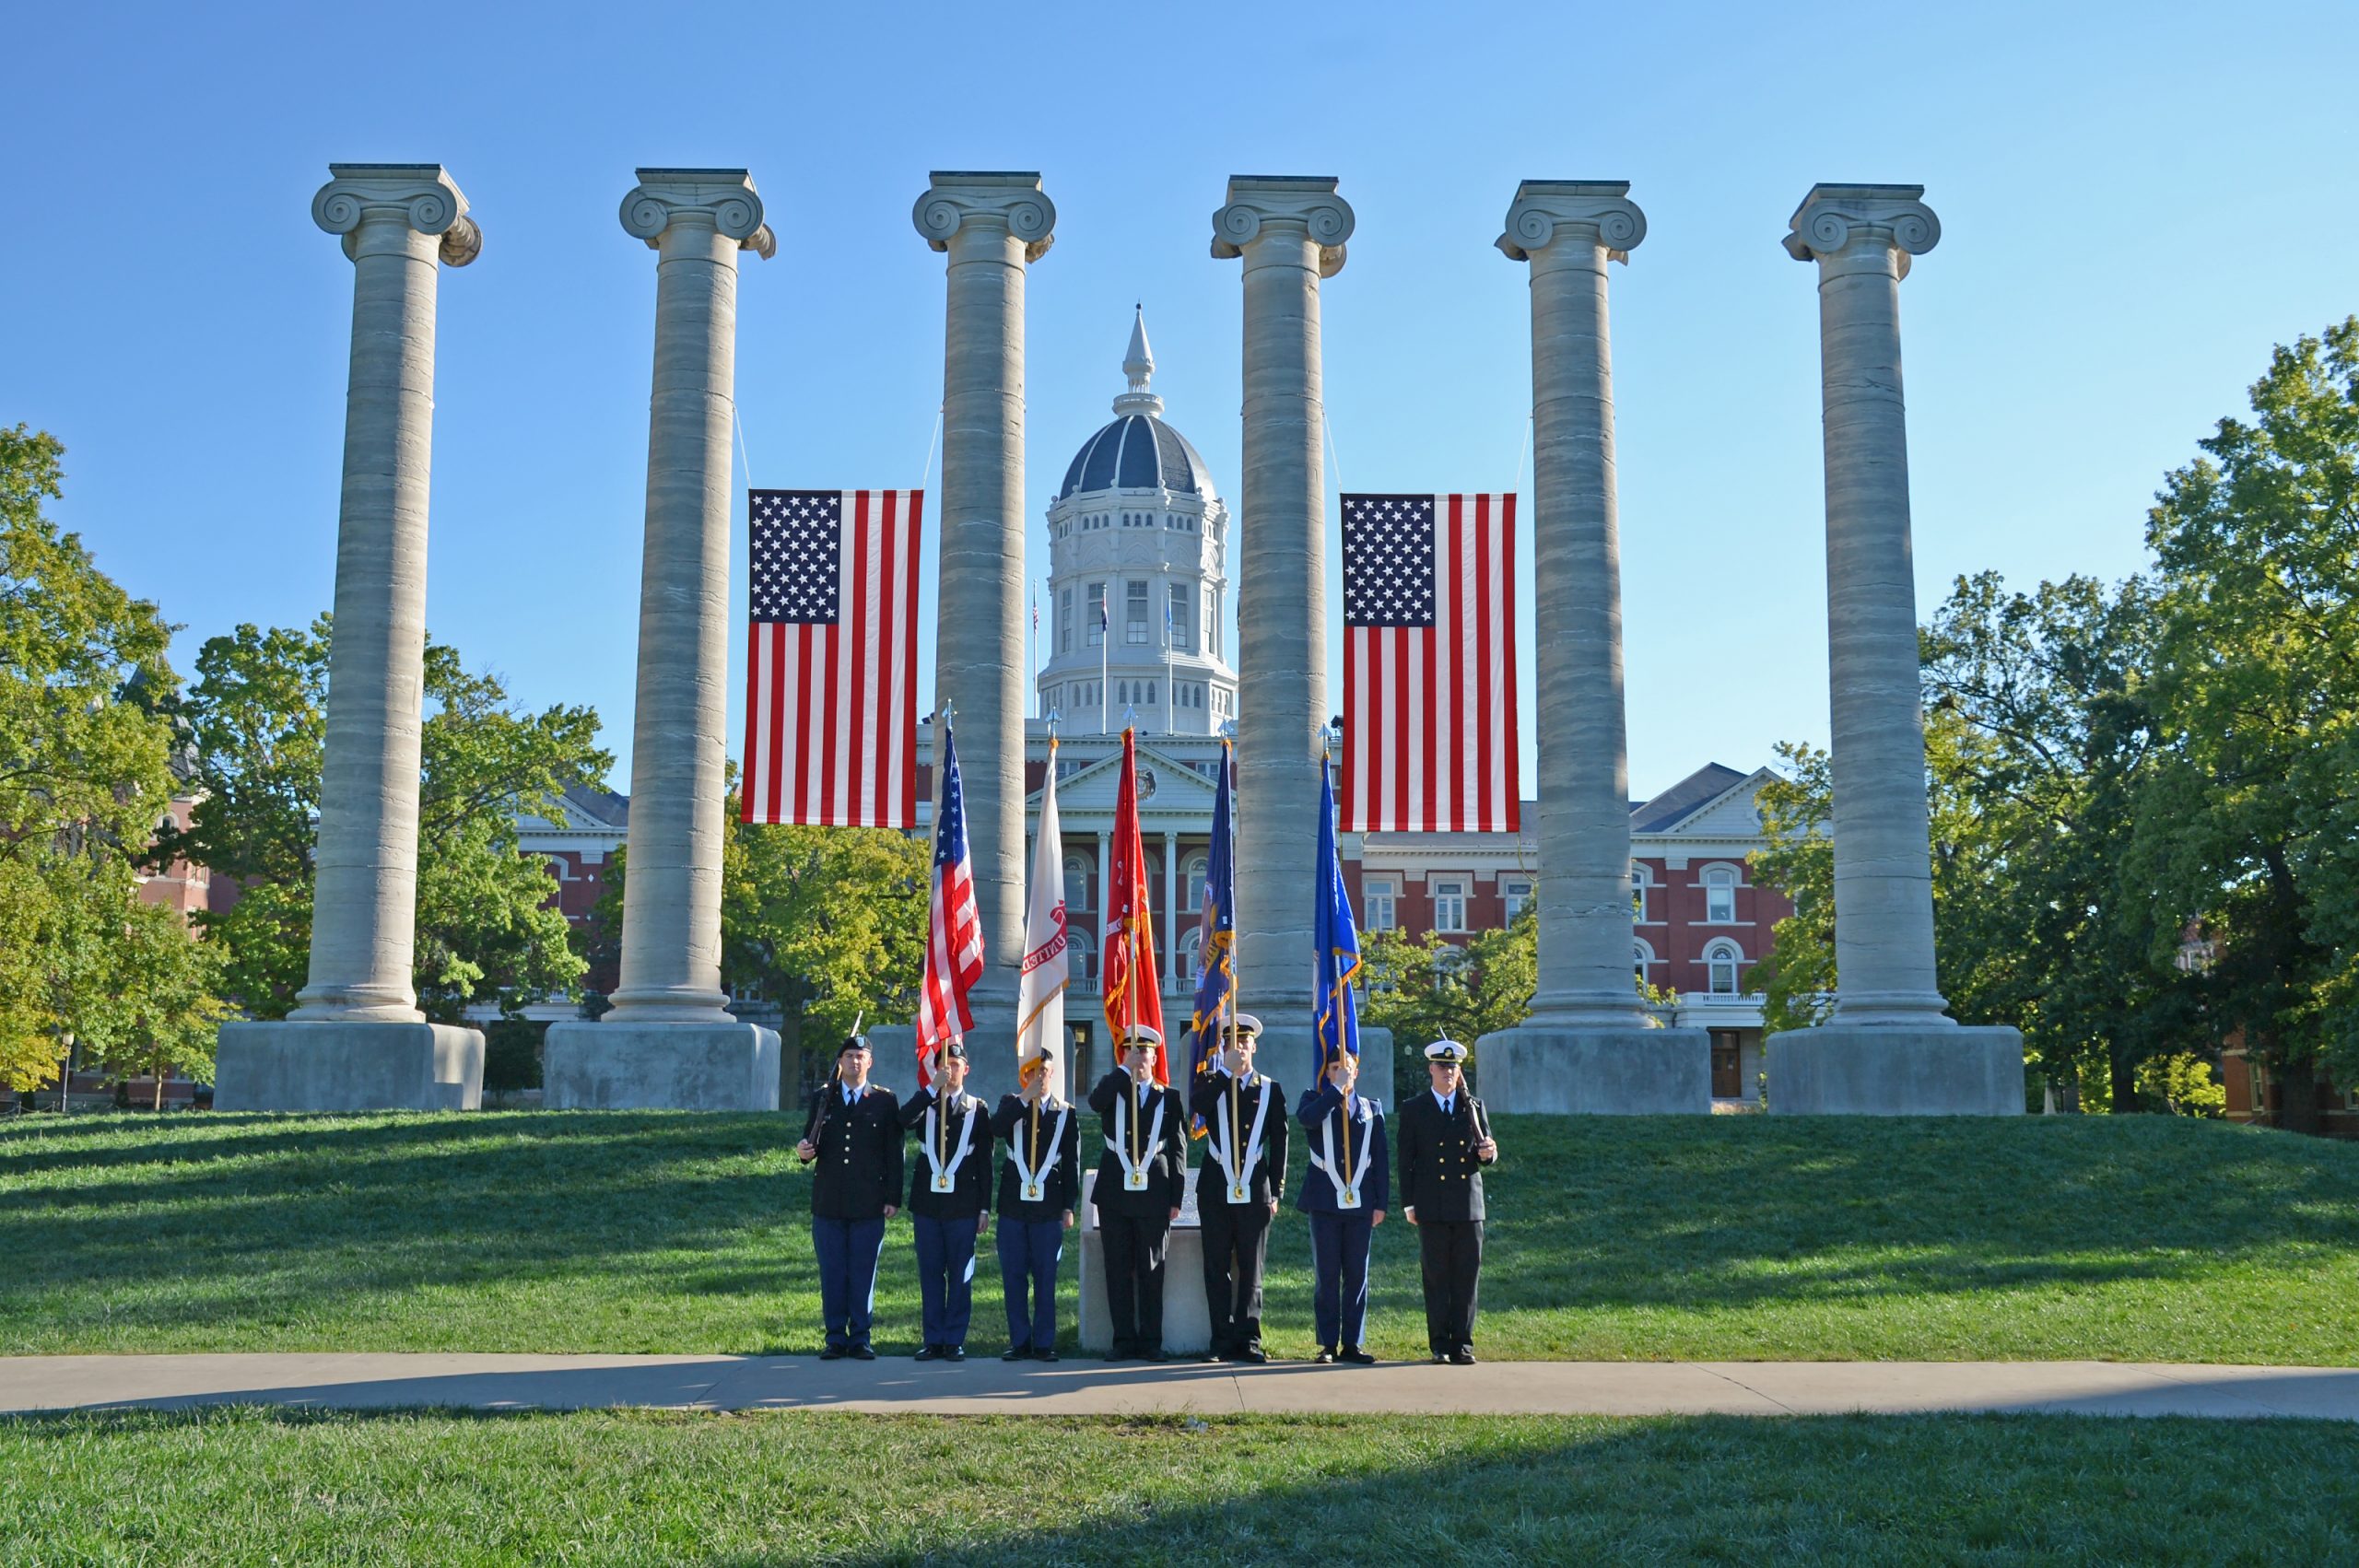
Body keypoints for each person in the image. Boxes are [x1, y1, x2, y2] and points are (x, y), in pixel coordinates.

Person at [795, 1035, 904, 1361]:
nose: (855, 1062)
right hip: (829, 1202)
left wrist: (893, 1198)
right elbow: (809, 1141)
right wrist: (803, 1151)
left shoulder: (884, 1101)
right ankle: (834, 1337)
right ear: (839, 1063)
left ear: (870, 1063)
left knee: (862, 1272)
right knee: (832, 1272)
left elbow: (894, 1154)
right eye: (849, 1056)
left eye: (861, 1056)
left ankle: (860, 1337)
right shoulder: (823, 1097)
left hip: (868, 1203)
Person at [1189, 1012, 1287, 1363]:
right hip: (1216, 1187)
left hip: (1255, 1187)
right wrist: (1226, 1072)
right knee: (1216, 1265)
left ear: (1255, 1047)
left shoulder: (1271, 1089)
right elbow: (1198, 1108)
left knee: (1251, 1266)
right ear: (1225, 1048)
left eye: (1246, 1042)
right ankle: (1220, 1338)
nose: (1241, 1047)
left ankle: (1249, 1338)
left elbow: (1280, 1143)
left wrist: (1275, 1191)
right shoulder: (1212, 1080)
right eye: (1234, 1042)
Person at [1086, 1024, 1187, 1361]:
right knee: (1117, 1269)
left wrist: (1176, 1197)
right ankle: (1123, 1341)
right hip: (1115, 1190)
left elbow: (1177, 1150)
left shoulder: (1168, 1097)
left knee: (1152, 1270)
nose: (1139, 1057)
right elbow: (1094, 1102)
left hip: (1154, 1193)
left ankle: (1151, 1342)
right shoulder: (1113, 1088)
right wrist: (1121, 1071)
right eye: (1133, 1051)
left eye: (1144, 1052)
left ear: (1155, 1056)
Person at [1395, 1038, 1498, 1365]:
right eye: (1442, 1066)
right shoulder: (1414, 1108)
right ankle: (1439, 1343)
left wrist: (1489, 1153)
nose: (1448, 1072)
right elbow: (1405, 1160)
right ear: (1431, 1069)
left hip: (1468, 1203)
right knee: (1437, 1276)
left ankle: (1462, 1344)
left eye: (1453, 1067)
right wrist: (1409, 1204)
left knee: (1466, 1278)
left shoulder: (1473, 1106)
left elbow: (1485, 1152)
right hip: (1432, 1204)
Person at [899, 1042, 992, 1362]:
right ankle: (933, 1339)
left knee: (960, 1273)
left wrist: (984, 1208)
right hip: (927, 1203)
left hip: (963, 1204)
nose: (950, 1069)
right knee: (930, 1272)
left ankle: (954, 1339)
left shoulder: (977, 1109)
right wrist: (929, 1090)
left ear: (966, 1069)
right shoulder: (927, 1103)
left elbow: (984, 1162)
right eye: (945, 1064)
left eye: (956, 1064)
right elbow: (901, 1121)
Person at [1296, 1047, 1388, 1365]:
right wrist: (1336, 1090)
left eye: (1346, 1067)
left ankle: (1353, 1342)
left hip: (1361, 1203)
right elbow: (1307, 1121)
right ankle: (1327, 1344)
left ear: (1357, 1072)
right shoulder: (1314, 1100)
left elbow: (1381, 1160)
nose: (1342, 1072)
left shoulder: (1371, 1109)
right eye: (1335, 1067)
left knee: (1357, 1275)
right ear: (1328, 1073)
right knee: (1327, 1273)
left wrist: (1381, 1204)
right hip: (1324, 1202)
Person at [991, 1045, 1081, 1361]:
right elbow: (996, 1129)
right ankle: (1019, 1341)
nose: (1039, 1077)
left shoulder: (1065, 1112)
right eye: (1033, 1071)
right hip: (1014, 1205)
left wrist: (1069, 1205)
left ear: (1052, 1074)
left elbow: (1071, 1162)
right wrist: (1024, 1098)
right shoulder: (1010, 1104)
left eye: (1044, 1071)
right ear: (1023, 1074)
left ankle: (1044, 1343)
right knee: (1014, 1277)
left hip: (1049, 1207)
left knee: (1046, 1278)